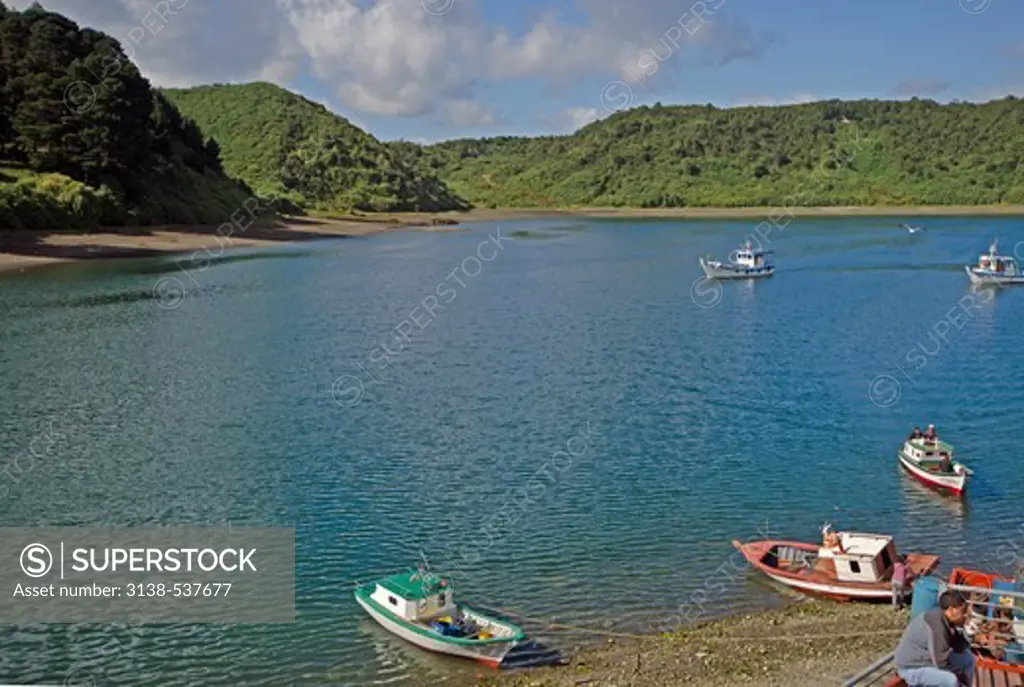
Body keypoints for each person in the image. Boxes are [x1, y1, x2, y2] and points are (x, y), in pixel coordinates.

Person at [894, 590, 975, 687]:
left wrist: (968, 633)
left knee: (968, 658)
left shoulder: (947, 620)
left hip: (928, 662)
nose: (965, 615)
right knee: (951, 680)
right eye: (963, 611)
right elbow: (941, 663)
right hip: (911, 668)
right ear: (951, 610)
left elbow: (959, 648)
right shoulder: (936, 624)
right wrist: (960, 677)